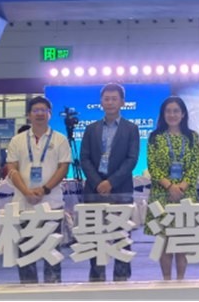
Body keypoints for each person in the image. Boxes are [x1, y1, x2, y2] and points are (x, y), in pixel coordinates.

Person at [4, 96, 71, 283]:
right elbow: (12, 168)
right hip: (24, 204)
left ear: (50, 114)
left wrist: (45, 189)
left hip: (51, 203)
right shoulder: (17, 140)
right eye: (36, 110)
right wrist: (26, 191)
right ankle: (28, 290)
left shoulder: (60, 140)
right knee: (26, 251)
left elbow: (63, 168)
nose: (40, 114)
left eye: (44, 110)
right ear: (28, 115)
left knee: (52, 252)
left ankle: (53, 290)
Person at [80, 83, 140, 282]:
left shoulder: (131, 129)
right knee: (96, 237)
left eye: (114, 99)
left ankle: (121, 281)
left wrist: (111, 182)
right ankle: (96, 280)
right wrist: (98, 182)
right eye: (106, 99)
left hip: (121, 190)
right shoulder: (91, 129)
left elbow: (132, 159)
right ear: (101, 102)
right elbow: (84, 158)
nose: (110, 102)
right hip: (94, 191)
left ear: (122, 102)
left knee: (121, 237)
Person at [146, 96, 199, 280]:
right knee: (164, 240)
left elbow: (195, 165)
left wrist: (181, 187)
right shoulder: (155, 137)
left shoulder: (192, 137)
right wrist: (170, 186)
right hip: (162, 195)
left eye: (176, 111)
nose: (172, 115)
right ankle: (167, 281)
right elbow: (152, 166)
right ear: (163, 114)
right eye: (168, 111)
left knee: (181, 241)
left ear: (183, 114)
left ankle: (181, 281)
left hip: (186, 195)